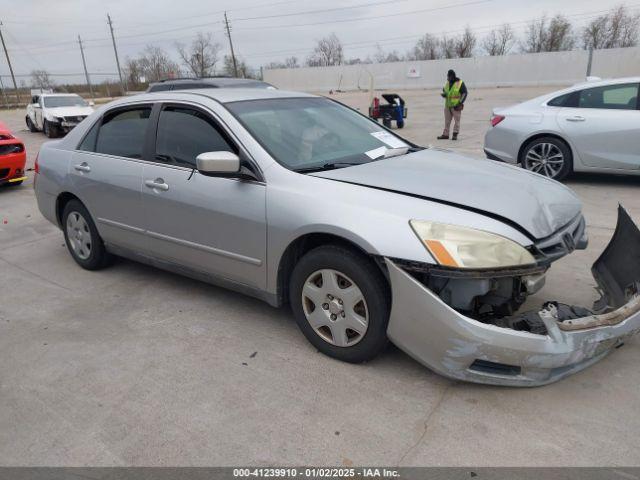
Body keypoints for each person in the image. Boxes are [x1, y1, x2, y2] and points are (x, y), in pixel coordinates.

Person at [437, 69, 468, 141]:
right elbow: (445, 90)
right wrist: (444, 94)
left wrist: (460, 103)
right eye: (447, 76)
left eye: (448, 76)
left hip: (456, 106)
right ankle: (445, 134)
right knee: (447, 121)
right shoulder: (448, 83)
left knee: (457, 121)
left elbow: (465, 93)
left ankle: (455, 134)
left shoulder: (460, 83)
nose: (447, 78)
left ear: (452, 76)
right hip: (448, 105)